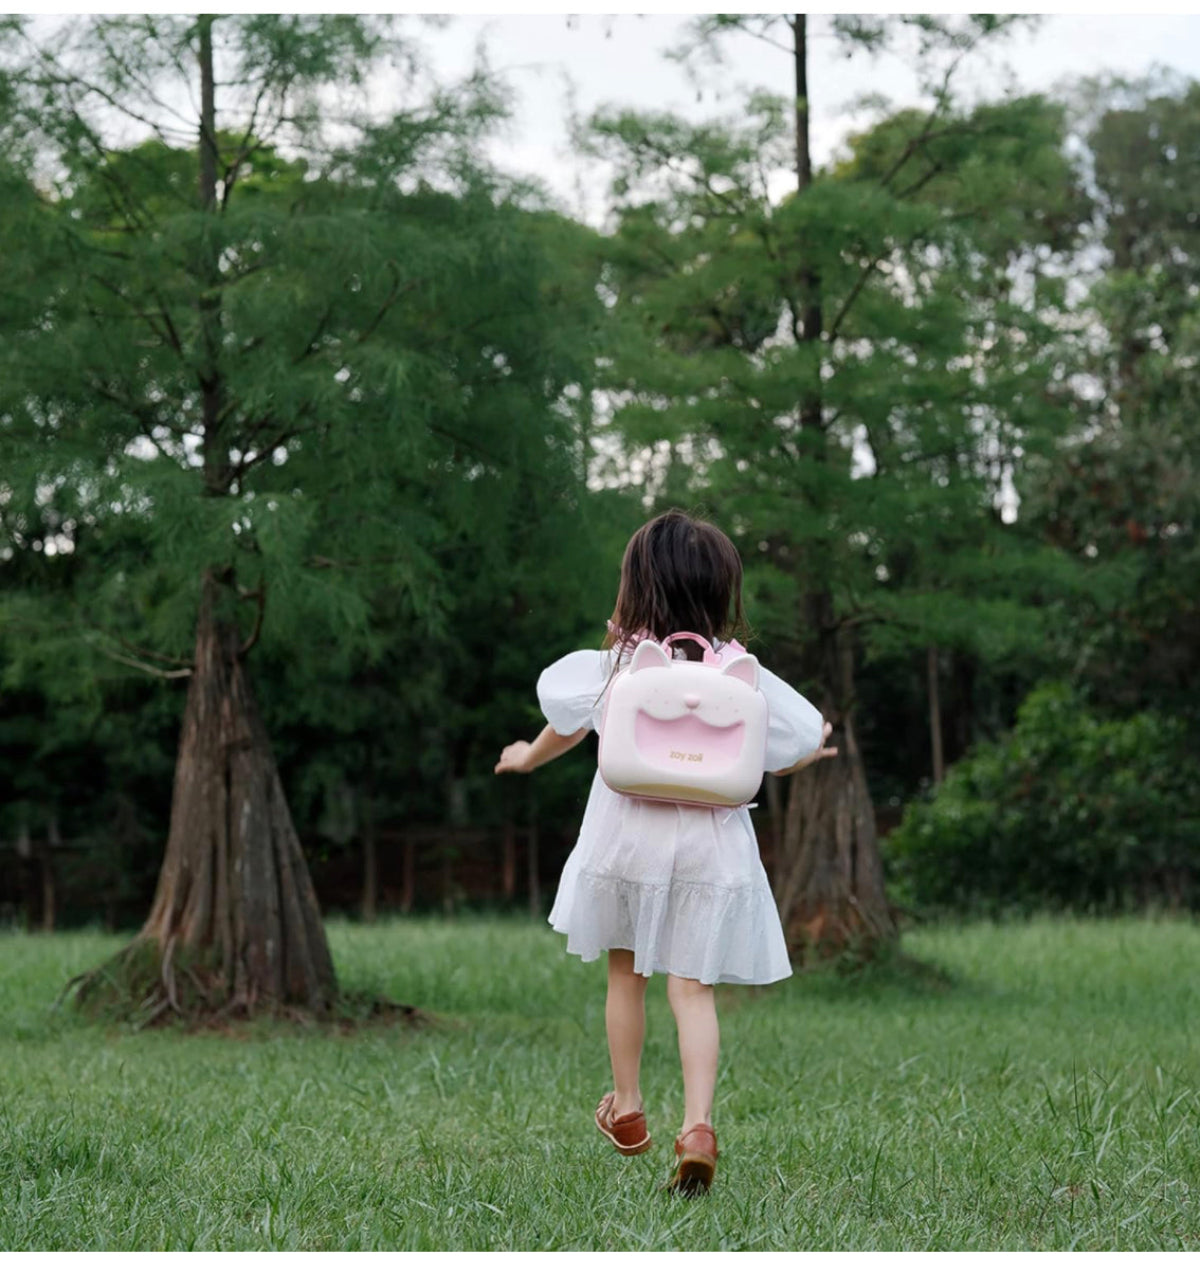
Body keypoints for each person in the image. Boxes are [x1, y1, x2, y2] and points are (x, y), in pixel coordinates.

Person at [494, 509, 836, 1195]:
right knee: (693, 988)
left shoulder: (618, 666)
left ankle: (626, 1107)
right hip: (712, 847)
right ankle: (699, 1126)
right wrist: (809, 756)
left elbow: (564, 724)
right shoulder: (740, 673)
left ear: (635, 585)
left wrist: (526, 757)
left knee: (627, 977)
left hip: (627, 839)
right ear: (721, 592)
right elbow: (786, 747)